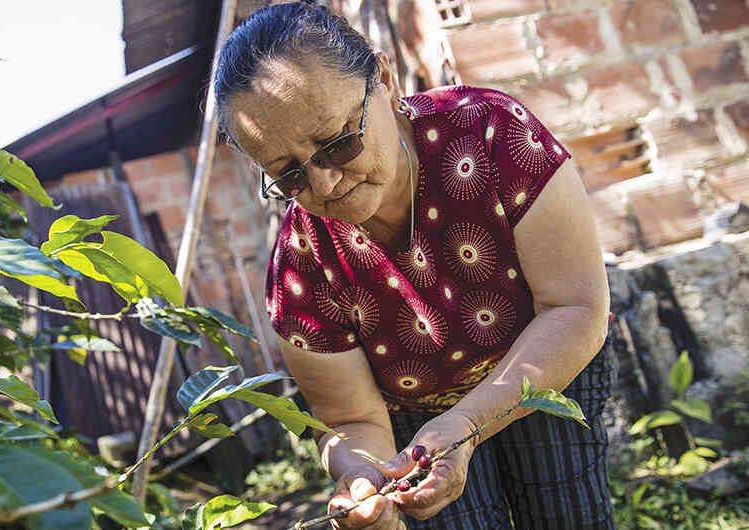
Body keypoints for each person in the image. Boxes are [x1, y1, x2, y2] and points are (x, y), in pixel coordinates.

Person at [213, 3, 616, 530]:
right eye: (289, 177)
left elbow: (575, 306)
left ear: (384, 79)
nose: (325, 185)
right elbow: (350, 419)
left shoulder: (491, 135)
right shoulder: (301, 269)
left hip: (543, 367)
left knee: (567, 512)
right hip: (416, 422)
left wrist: (469, 421)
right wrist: (363, 474)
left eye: (338, 143)